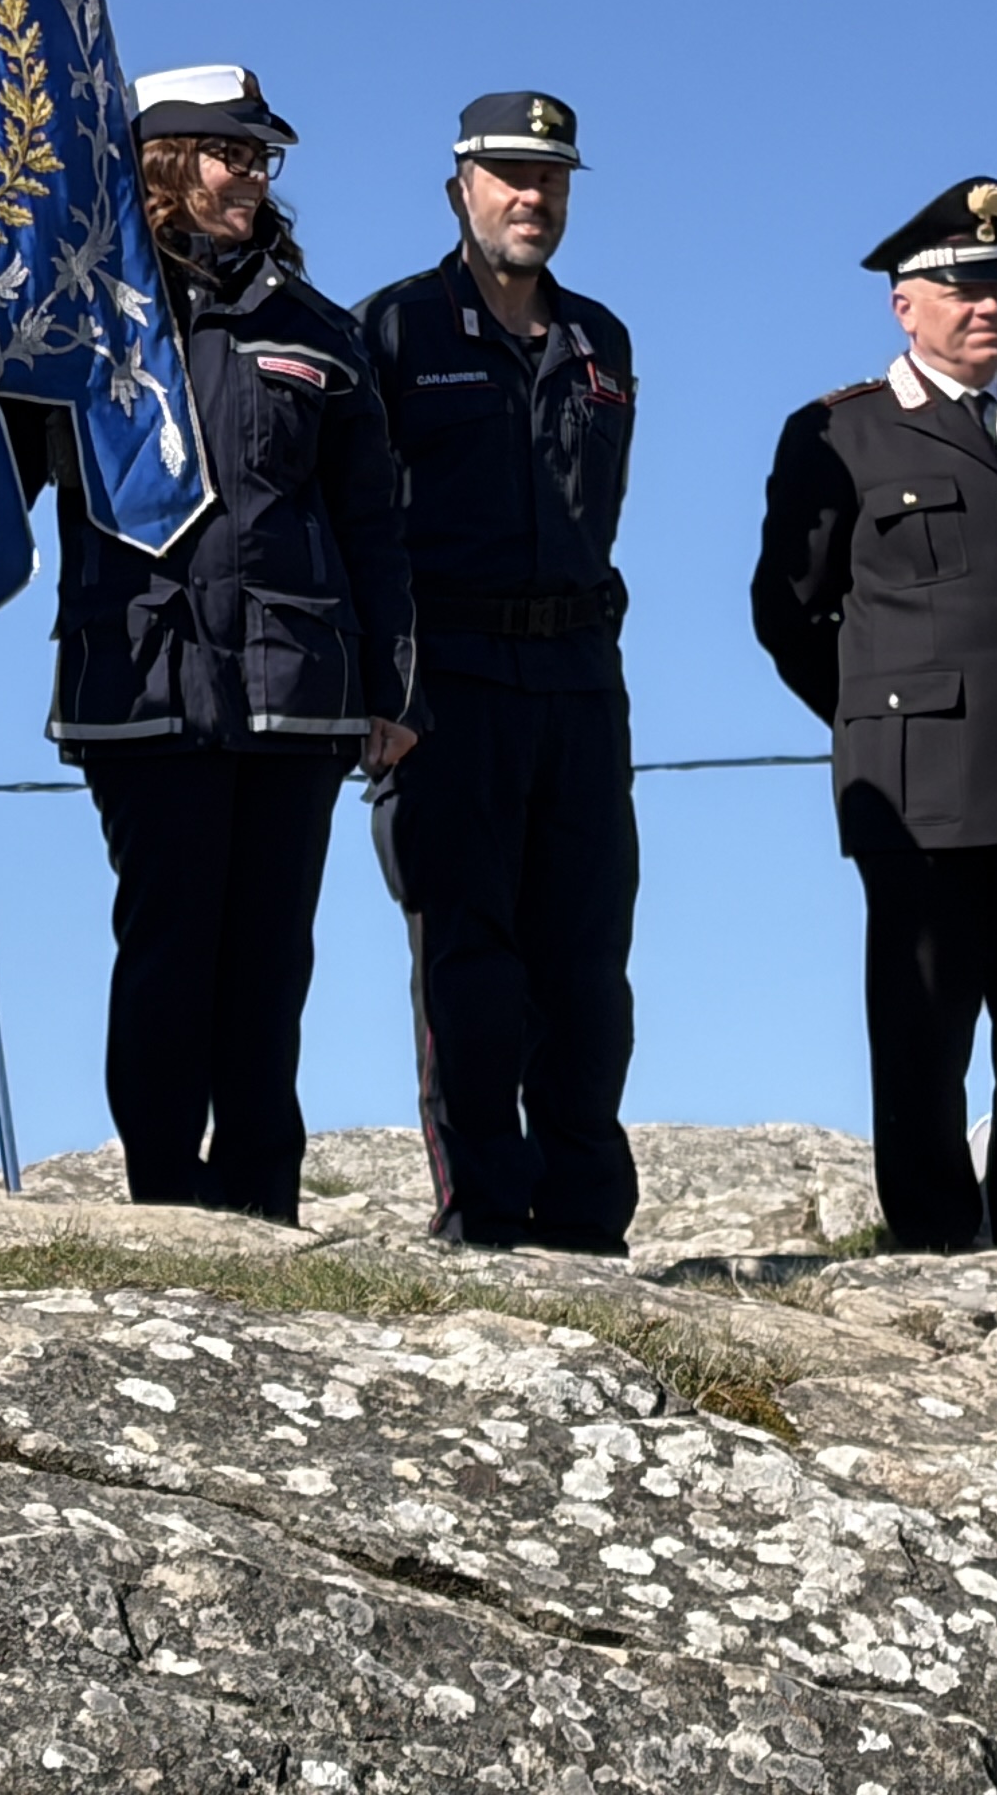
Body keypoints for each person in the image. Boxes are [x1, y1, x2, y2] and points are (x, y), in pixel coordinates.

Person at [6, 66, 419, 1224]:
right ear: (164, 163)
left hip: (297, 689)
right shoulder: (76, 318)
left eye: (260, 158)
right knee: (171, 947)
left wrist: (392, 688)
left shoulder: (320, 332)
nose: (251, 175)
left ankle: (262, 1205)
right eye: (230, 153)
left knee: (270, 961)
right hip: (141, 681)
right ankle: (164, 1200)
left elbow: (373, 525)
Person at [751, 178, 997, 1252]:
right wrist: (886, 718)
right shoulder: (844, 433)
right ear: (904, 306)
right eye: (963, 289)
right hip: (920, 786)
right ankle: (931, 1237)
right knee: (923, 1026)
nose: (987, 307)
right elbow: (788, 612)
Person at [361, 92, 640, 1253]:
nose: (534, 196)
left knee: (587, 962)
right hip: (449, 683)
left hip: (578, 680)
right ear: (459, 188)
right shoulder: (393, 330)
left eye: (552, 177)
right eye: (511, 175)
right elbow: (361, 525)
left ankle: (586, 1222)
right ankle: (482, 1213)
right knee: (468, 964)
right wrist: (382, 689)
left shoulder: (601, 341)